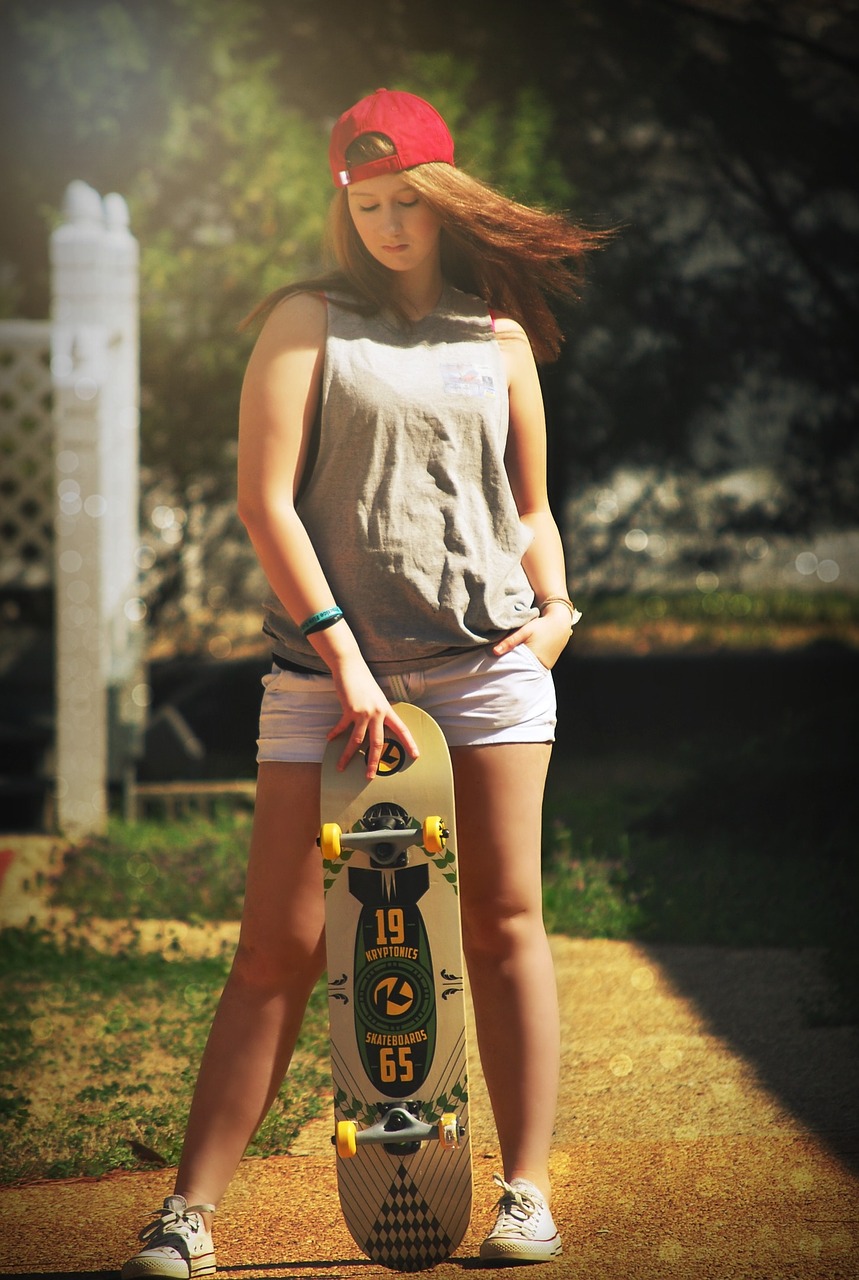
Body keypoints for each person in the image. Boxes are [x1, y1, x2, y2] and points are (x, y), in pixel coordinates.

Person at [122, 87, 602, 1278]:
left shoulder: (493, 337)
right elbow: (264, 499)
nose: (389, 224)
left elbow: (530, 509)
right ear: (346, 203)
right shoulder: (303, 319)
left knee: (501, 926)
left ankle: (525, 1193)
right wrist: (342, 657)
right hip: (324, 683)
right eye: (368, 202)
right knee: (279, 946)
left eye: (408, 203)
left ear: (445, 202)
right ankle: (189, 1213)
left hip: (485, 676)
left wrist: (552, 617)